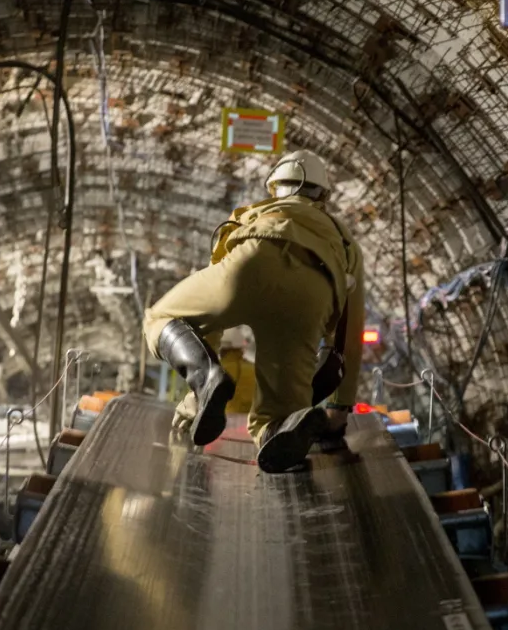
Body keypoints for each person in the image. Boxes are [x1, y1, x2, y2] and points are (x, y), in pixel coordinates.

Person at [143, 150, 365, 473]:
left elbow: (208, 325)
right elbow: (351, 335)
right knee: (277, 421)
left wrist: (196, 399)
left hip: (251, 262)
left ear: (273, 188)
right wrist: (340, 407)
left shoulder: (253, 214)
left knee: (158, 319)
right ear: (324, 196)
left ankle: (206, 378)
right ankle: (276, 427)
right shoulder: (344, 241)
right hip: (311, 293)